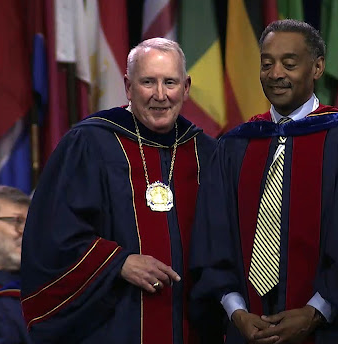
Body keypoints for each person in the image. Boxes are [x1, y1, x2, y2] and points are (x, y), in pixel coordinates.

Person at [190, 19, 338, 343]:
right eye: (267, 63)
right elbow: (212, 238)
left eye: (289, 64)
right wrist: (237, 312)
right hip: (247, 331)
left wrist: (315, 312)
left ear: (318, 67)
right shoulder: (236, 145)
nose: (276, 74)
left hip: (329, 331)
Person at [20, 38, 217, 344]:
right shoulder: (90, 144)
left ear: (186, 87)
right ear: (128, 86)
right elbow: (52, 236)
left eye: (170, 82)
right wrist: (117, 262)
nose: (160, 95)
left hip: (191, 325)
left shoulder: (206, 153)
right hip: (112, 325)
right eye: (148, 82)